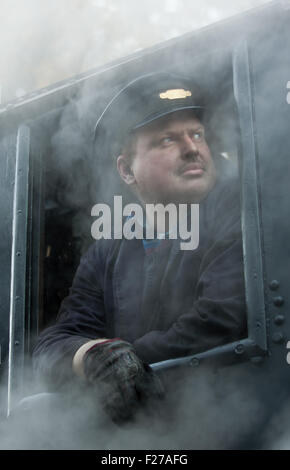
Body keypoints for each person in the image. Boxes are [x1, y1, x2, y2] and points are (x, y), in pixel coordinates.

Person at [32, 72, 247, 423]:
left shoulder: (236, 210)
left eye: (197, 134)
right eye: (167, 140)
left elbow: (223, 316)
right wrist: (93, 356)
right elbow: (52, 345)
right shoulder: (106, 253)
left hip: (223, 420)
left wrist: (127, 359)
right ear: (127, 170)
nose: (192, 148)